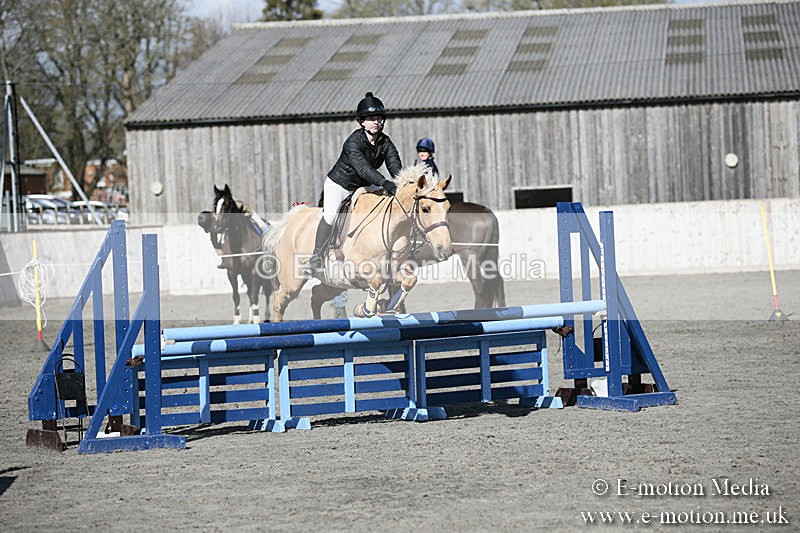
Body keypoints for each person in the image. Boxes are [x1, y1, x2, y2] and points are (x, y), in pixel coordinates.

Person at [302, 92, 402, 276]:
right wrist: (384, 183)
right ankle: (316, 258)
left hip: (365, 185)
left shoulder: (385, 142)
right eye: (371, 119)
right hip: (340, 185)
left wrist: (400, 183)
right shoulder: (353, 142)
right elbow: (363, 168)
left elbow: (394, 163)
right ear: (362, 122)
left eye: (379, 118)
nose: (376, 122)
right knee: (331, 216)